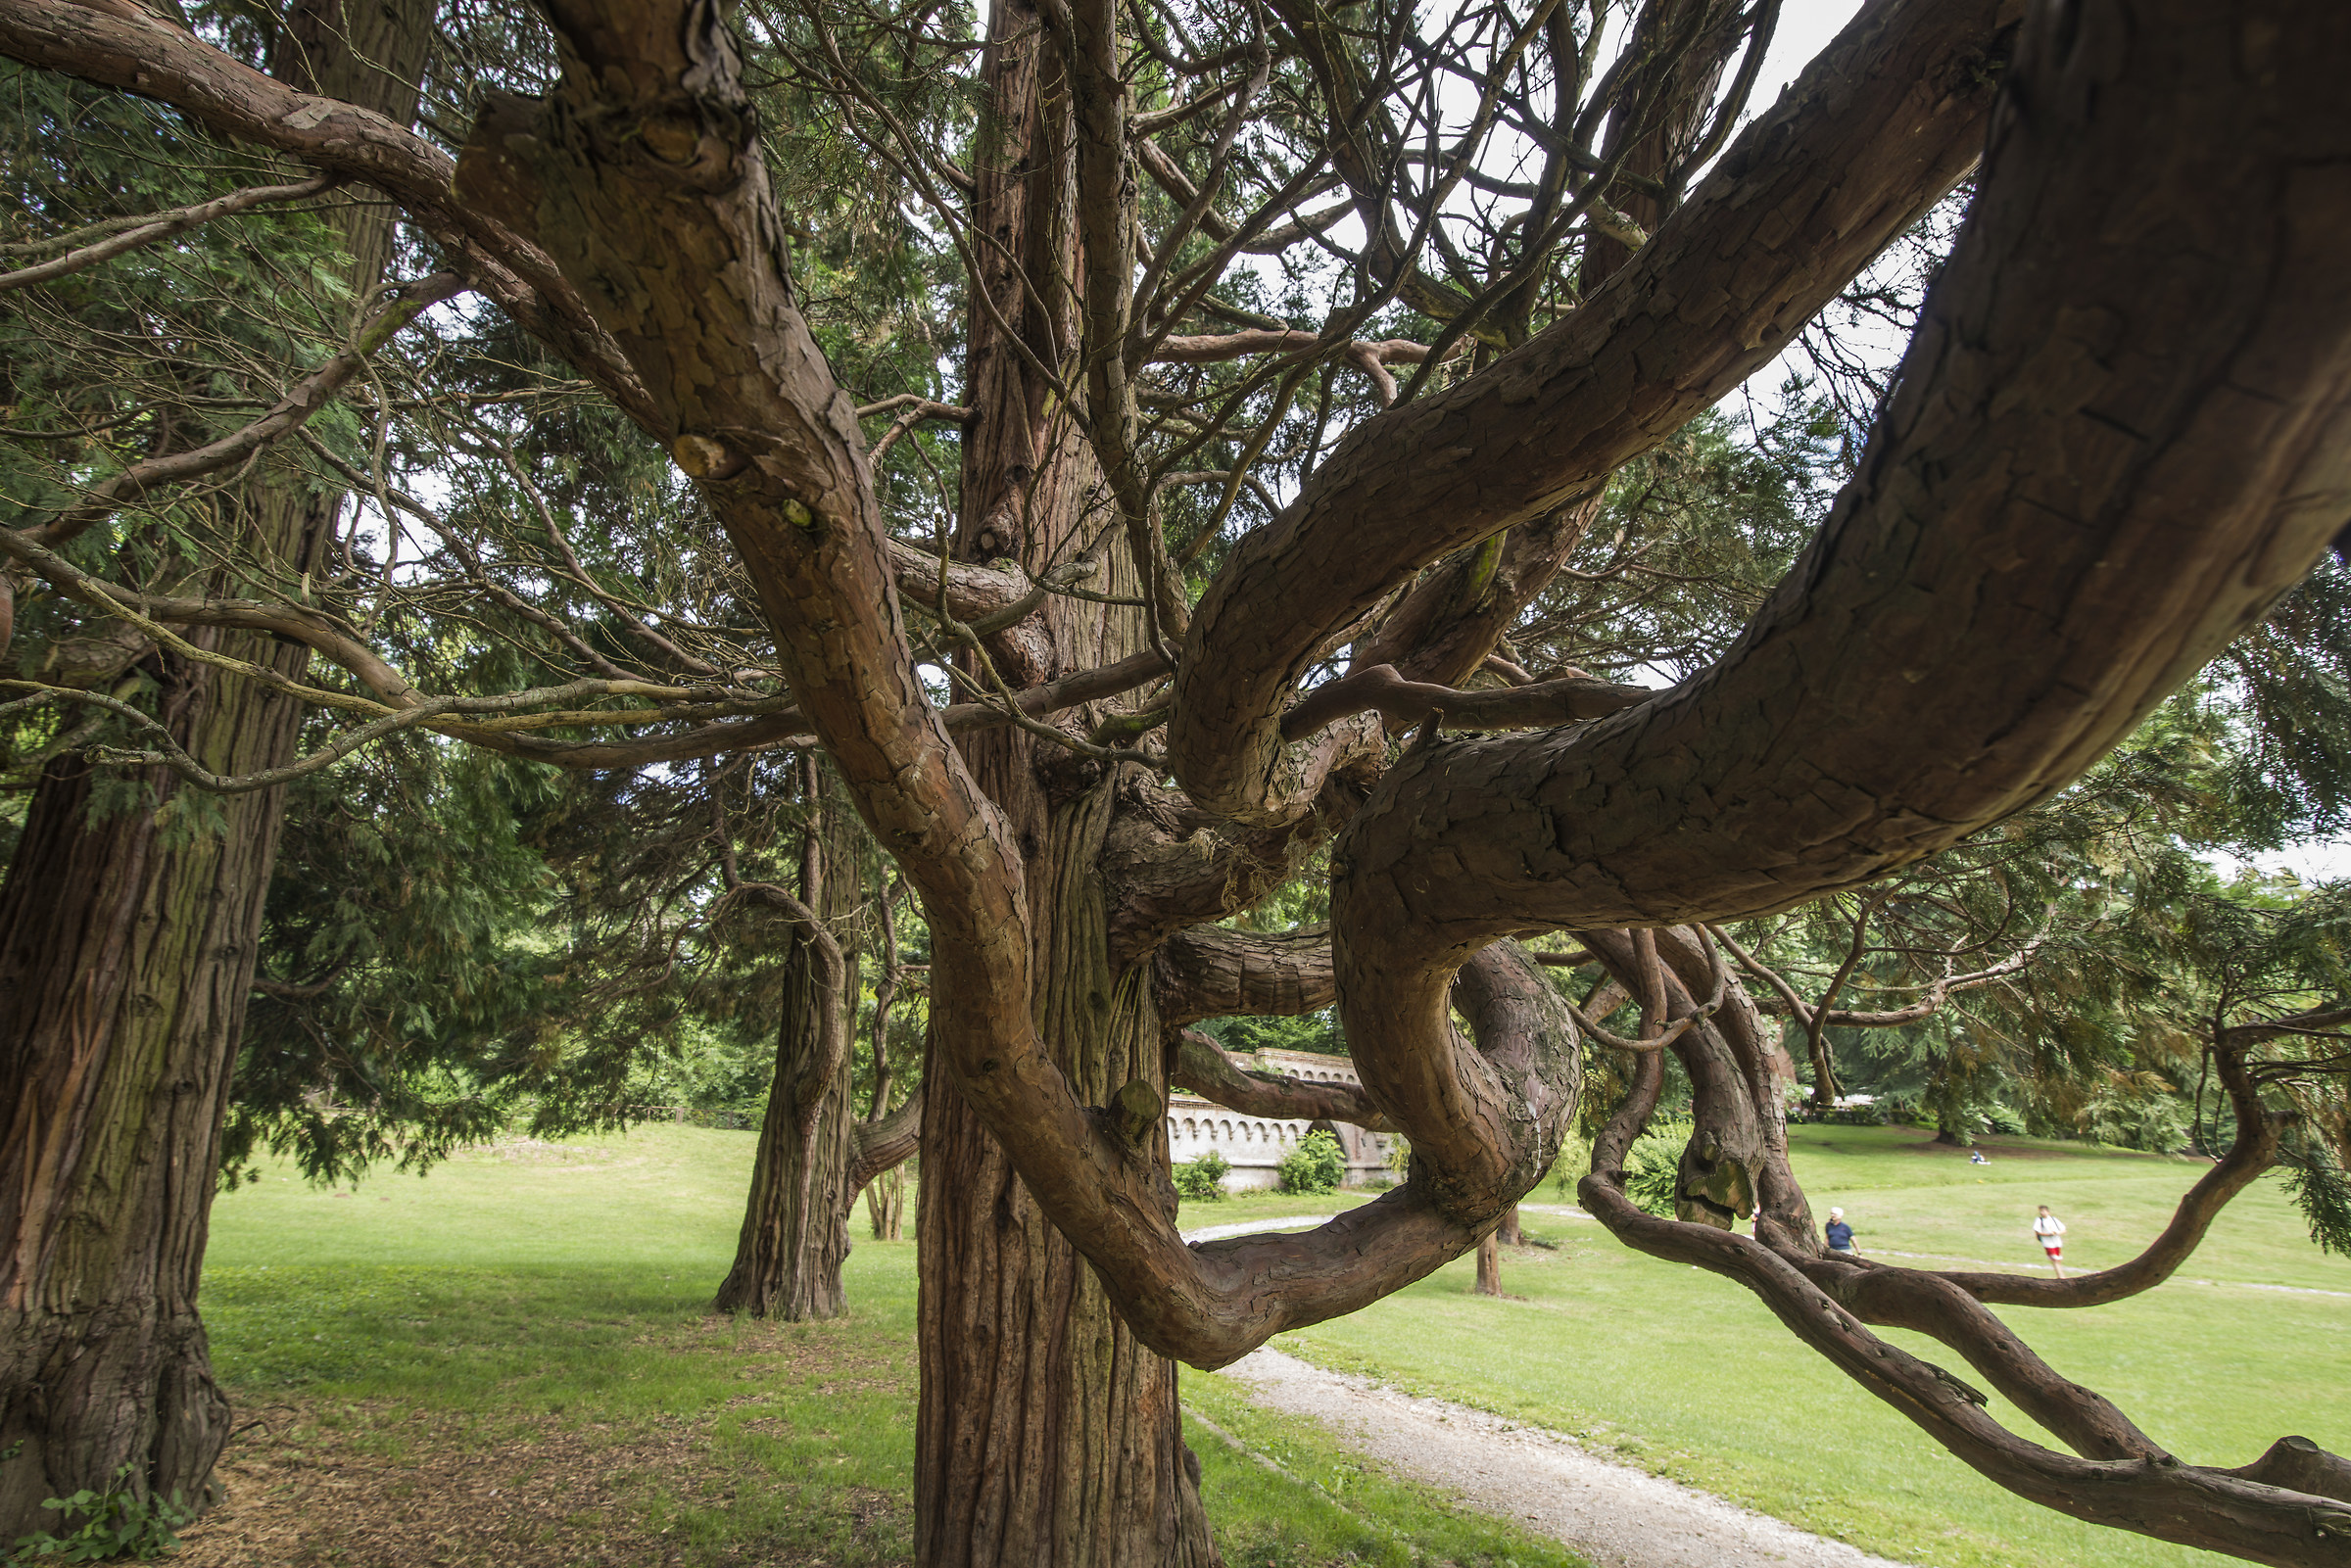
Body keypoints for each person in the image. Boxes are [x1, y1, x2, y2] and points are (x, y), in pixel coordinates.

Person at [2033, 1205, 2067, 1277]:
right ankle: (2061, 1276)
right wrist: (2048, 1234)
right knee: (2054, 1259)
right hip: (2048, 1243)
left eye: (2043, 1211)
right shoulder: (2039, 1220)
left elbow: (2063, 1230)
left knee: (2058, 1259)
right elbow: (2037, 1232)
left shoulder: (2053, 1219)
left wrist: (2056, 1233)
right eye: (2041, 1211)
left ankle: (2060, 1275)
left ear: (2048, 1212)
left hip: (2056, 1242)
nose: (2042, 1213)